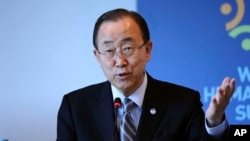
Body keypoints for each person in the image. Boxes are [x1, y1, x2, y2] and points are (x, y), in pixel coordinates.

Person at [56, 8, 236, 141]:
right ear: (97, 57)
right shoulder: (76, 107)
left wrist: (214, 123)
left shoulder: (183, 103)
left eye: (127, 48)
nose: (120, 61)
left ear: (147, 50)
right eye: (109, 50)